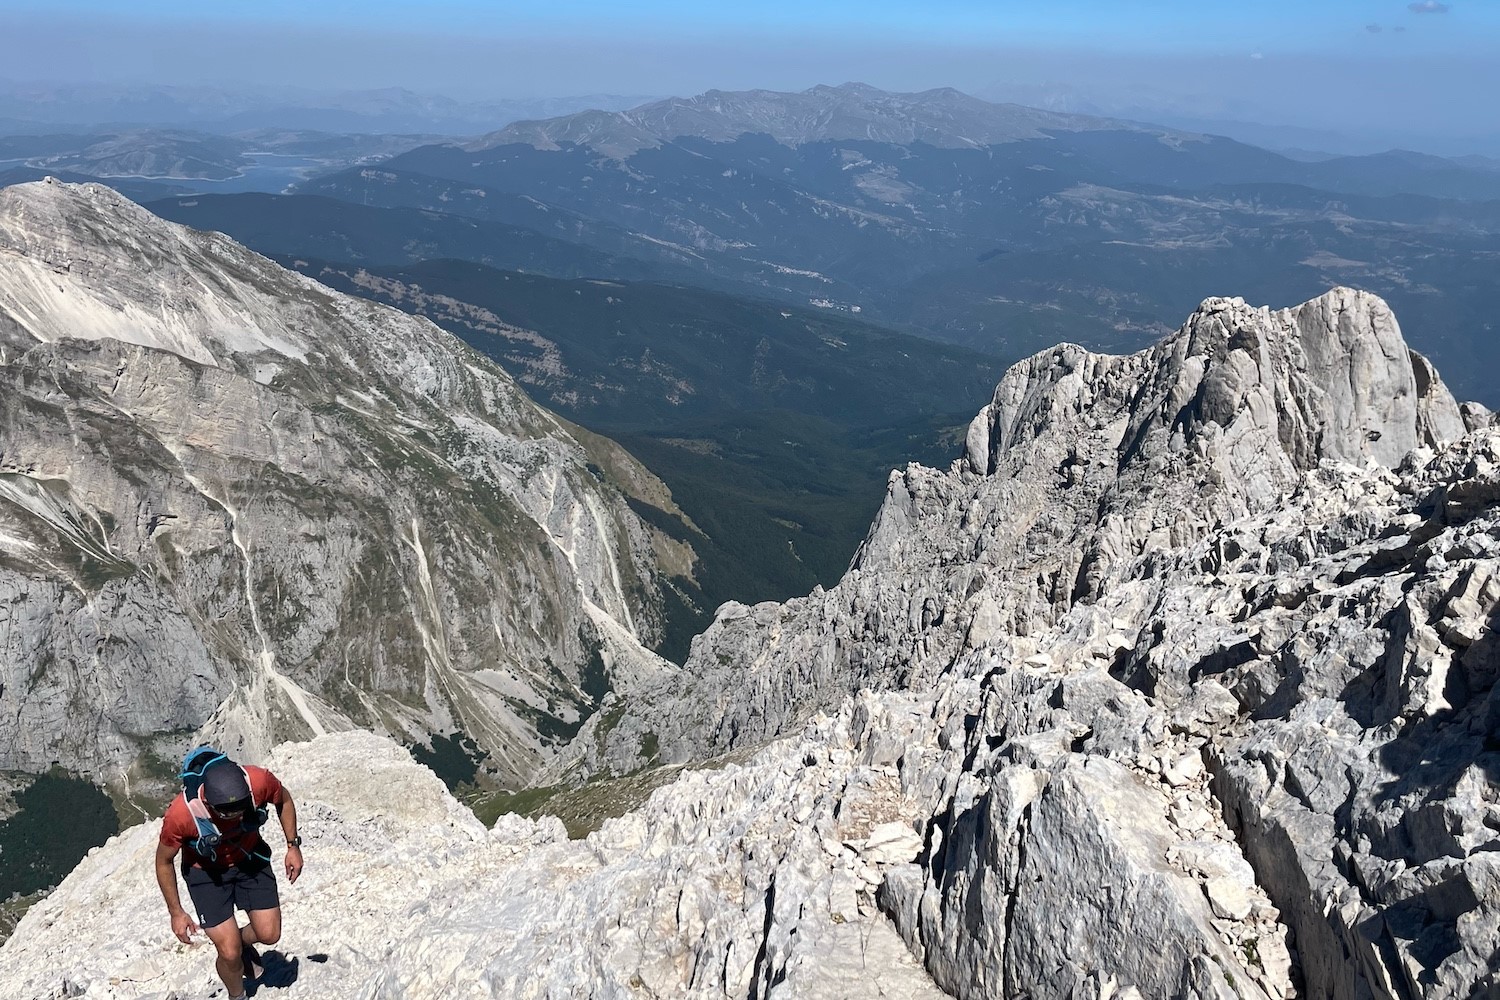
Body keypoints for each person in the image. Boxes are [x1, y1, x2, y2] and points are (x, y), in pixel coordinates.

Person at [154, 750, 304, 1000]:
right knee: (230, 952)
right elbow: (163, 861)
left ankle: (240, 942)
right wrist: (176, 913)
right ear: (209, 804)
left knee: (269, 934)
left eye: (241, 809)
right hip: (206, 875)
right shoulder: (181, 815)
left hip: (249, 858)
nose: (235, 816)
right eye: (227, 813)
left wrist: (293, 846)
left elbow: (284, 799)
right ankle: (237, 995)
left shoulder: (259, 781)